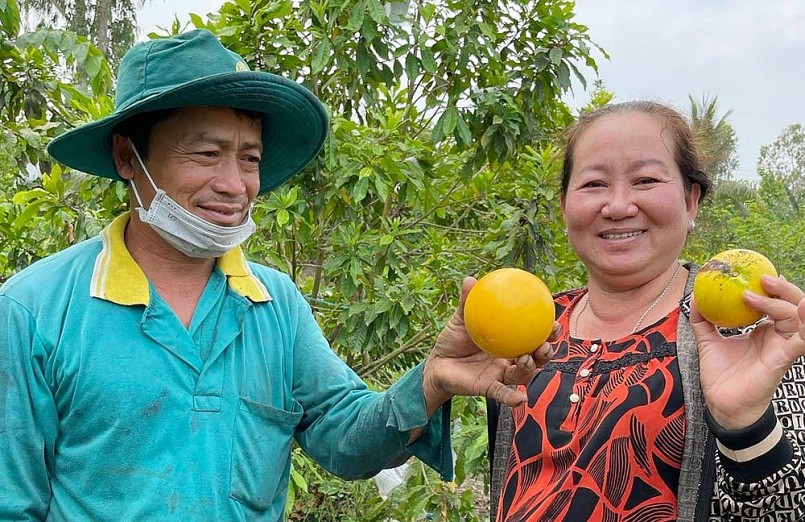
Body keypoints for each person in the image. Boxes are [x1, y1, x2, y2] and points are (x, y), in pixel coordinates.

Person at [0, 29, 554, 521]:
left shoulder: (274, 303)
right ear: (128, 157)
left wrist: (430, 383)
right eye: (206, 153)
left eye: (250, 159)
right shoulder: (34, 310)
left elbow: (344, 438)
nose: (234, 185)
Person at [487, 101, 805, 521]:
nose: (618, 205)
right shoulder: (529, 325)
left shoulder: (747, 331)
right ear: (564, 206)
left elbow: (787, 508)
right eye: (594, 184)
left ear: (691, 201)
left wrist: (744, 422)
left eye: (646, 179)